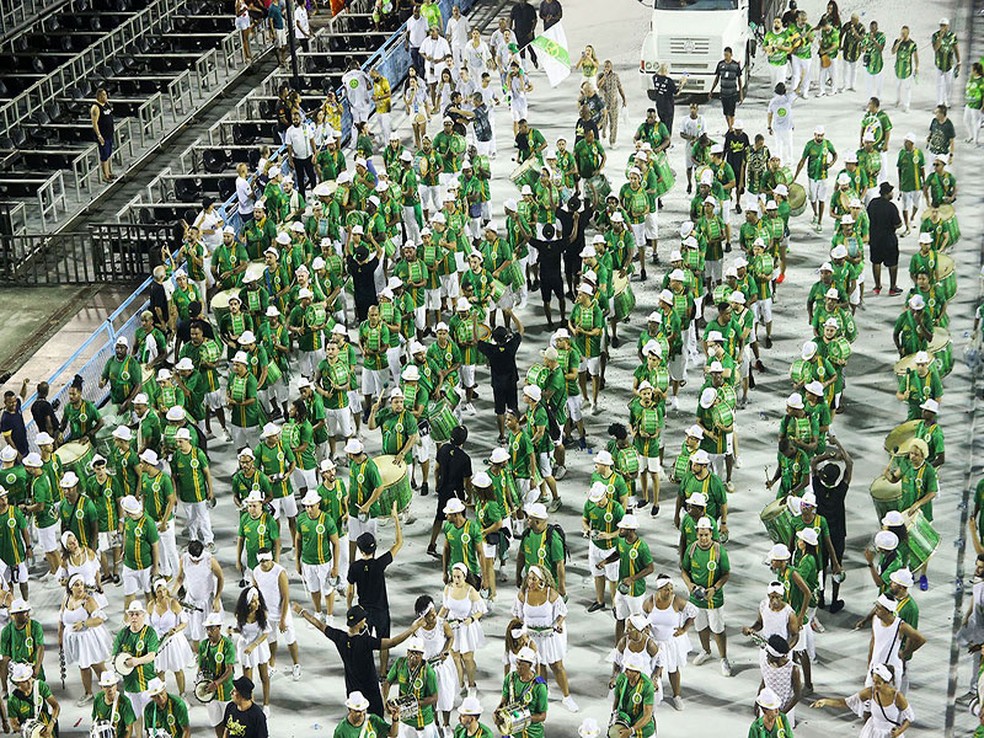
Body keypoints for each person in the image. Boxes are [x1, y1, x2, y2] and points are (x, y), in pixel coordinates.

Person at [295, 602, 422, 717]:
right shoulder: (365, 642)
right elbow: (392, 642)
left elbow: (320, 625)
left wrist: (302, 612)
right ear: (358, 623)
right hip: (370, 690)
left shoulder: (340, 637)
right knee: (377, 721)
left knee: (357, 724)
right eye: (363, 619)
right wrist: (412, 629)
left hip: (352, 690)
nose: (365, 620)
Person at [811, 663, 913, 737]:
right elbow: (846, 702)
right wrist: (825, 701)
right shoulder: (870, 692)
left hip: (889, 733)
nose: (875, 685)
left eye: (878, 683)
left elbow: (909, 718)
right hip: (872, 733)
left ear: (888, 681)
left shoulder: (897, 697)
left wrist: (899, 732)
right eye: (873, 681)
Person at [197, 612, 235, 738]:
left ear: (219, 628)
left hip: (225, 692)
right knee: (216, 722)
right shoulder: (203, 645)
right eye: (207, 628)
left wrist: (216, 683)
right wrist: (199, 682)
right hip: (210, 693)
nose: (209, 632)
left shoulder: (227, 645)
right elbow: (201, 666)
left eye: (212, 628)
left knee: (229, 724)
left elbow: (229, 670)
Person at [497, 646, 547, 737]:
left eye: (522, 665)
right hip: (512, 730)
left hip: (532, 733)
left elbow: (542, 716)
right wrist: (497, 713)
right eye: (517, 663)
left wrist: (522, 719)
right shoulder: (510, 678)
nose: (518, 667)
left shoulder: (539, 686)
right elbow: (503, 702)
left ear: (530, 665)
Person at [866, 181, 903, 296]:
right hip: (889, 240)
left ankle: (877, 286)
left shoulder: (873, 203)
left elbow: (868, 218)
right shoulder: (891, 207)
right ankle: (892, 288)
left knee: (876, 262)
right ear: (888, 193)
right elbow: (898, 224)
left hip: (875, 239)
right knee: (892, 264)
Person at [8, 662, 59, 736]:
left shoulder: (40, 686)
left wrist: (51, 724)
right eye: (24, 681)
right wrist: (32, 730)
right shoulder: (13, 700)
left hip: (45, 723)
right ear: (18, 683)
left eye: (29, 678)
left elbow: (56, 706)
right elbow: (14, 725)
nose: (29, 683)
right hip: (28, 730)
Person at [91, 670, 136, 738]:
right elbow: (94, 719)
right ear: (102, 687)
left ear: (116, 685)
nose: (110, 689)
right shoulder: (98, 698)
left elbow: (129, 728)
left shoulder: (125, 702)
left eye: (112, 685)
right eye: (106, 686)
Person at [709, 47, 742, 130]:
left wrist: (740, 93)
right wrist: (711, 90)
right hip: (724, 93)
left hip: (732, 93)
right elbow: (717, 78)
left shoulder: (735, 65)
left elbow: (739, 80)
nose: (725, 56)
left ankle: (731, 128)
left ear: (731, 54)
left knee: (731, 113)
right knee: (726, 113)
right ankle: (730, 128)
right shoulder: (720, 64)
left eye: (727, 55)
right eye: (724, 55)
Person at [932, 17, 960, 106]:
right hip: (939, 63)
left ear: (948, 26)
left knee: (948, 84)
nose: (942, 27)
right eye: (941, 25)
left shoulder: (952, 36)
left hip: (949, 63)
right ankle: (939, 102)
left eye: (944, 25)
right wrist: (940, 37)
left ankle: (947, 101)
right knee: (939, 84)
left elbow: (956, 48)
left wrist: (959, 61)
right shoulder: (935, 35)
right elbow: (935, 48)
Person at [91, 88, 115, 183]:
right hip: (103, 135)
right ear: (99, 96)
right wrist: (99, 136)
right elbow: (94, 123)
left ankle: (109, 172)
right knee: (104, 155)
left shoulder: (106, 104)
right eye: (104, 95)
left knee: (109, 153)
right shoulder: (95, 108)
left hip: (109, 133)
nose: (106, 97)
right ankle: (105, 175)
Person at [509, 0, 538, 68]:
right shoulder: (515, 8)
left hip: (528, 32)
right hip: (518, 33)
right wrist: (509, 31)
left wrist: (532, 31)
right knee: (521, 50)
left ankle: (534, 60)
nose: (523, 1)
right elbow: (510, 19)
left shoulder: (530, 8)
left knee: (531, 49)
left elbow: (535, 20)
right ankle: (523, 65)